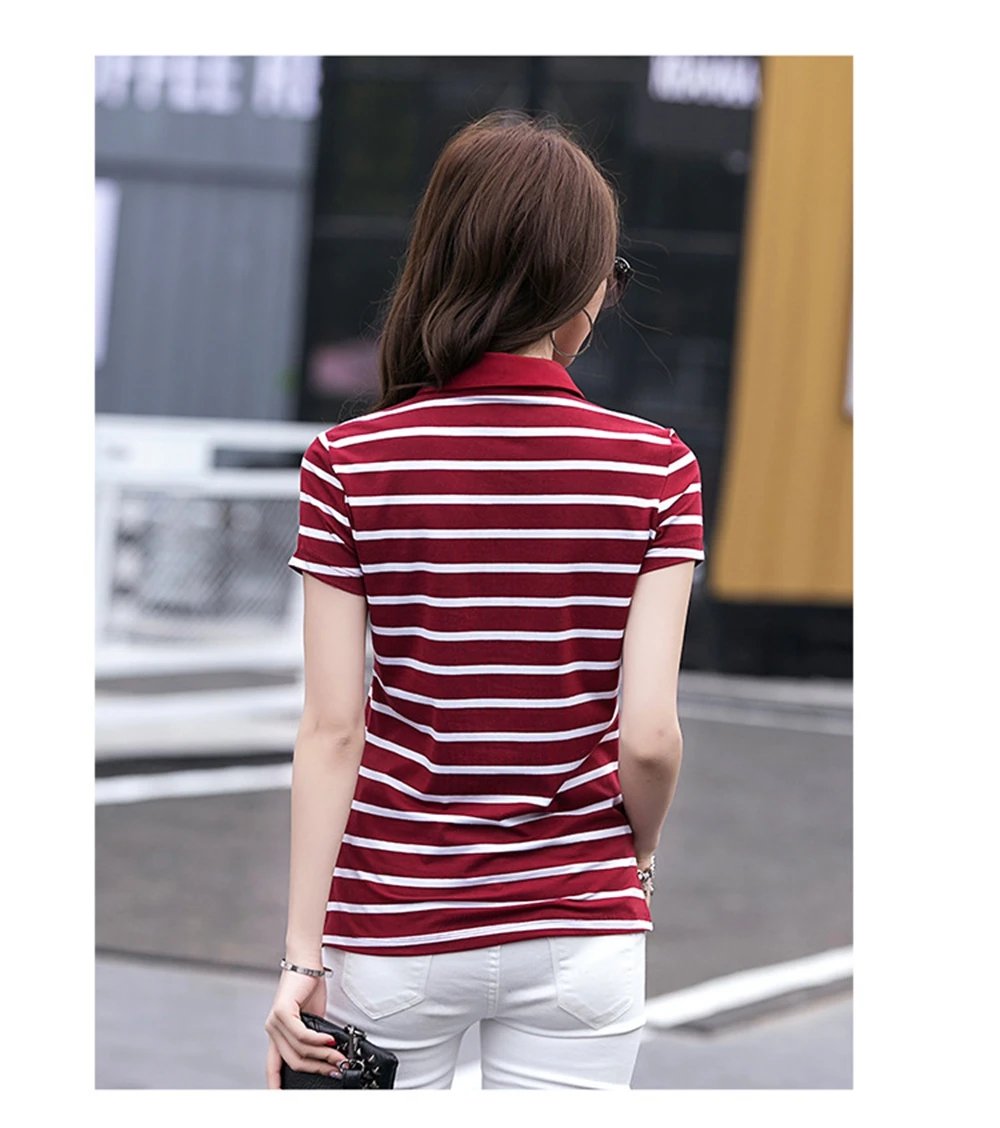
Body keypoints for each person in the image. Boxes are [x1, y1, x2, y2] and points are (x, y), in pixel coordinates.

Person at [264, 109, 705, 1090]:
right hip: (581, 933)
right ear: (580, 285)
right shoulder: (657, 469)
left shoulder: (348, 463)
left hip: (395, 929)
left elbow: (332, 730)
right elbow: (650, 739)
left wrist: (302, 959)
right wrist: (632, 860)